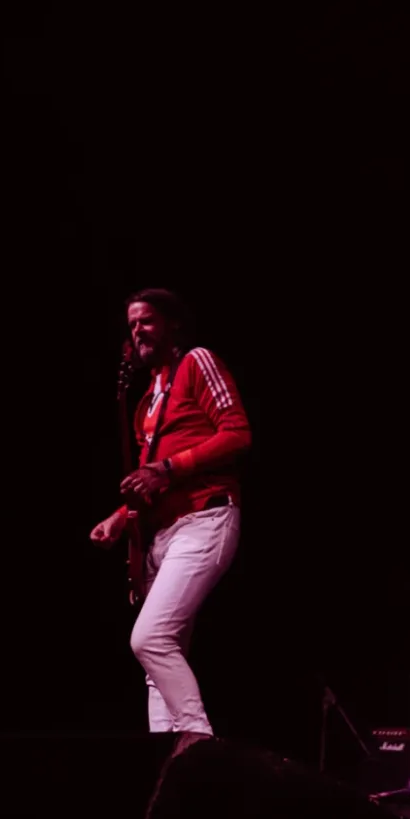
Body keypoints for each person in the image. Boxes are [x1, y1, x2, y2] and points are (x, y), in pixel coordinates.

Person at [90, 289, 250, 736]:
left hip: (205, 519)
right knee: (160, 660)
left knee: (150, 639)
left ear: (172, 324)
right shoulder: (148, 400)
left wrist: (167, 468)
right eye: (132, 325)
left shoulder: (197, 362)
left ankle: (198, 742)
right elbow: (151, 480)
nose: (137, 331)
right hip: (163, 533)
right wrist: (120, 517)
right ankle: (164, 759)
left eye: (146, 321)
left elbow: (237, 434)